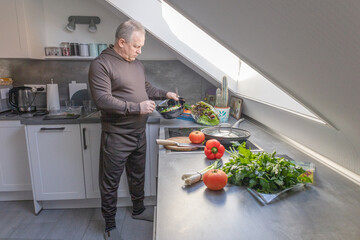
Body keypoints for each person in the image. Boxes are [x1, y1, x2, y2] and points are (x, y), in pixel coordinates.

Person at [88, 19, 178, 239]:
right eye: (137, 46)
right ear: (121, 42)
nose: (140, 50)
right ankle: (110, 225)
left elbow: (144, 87)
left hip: (138, 133)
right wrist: (136, 107)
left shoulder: (137, 64)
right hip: (116, 135)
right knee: (110, 183)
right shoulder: (101, 64)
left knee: (137, 176)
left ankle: (138, 210)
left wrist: (164, 93)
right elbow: (102, 100)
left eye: (141, 46)